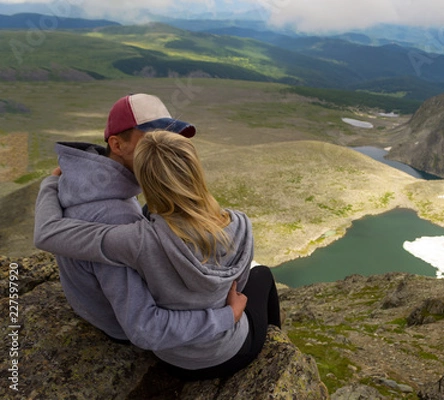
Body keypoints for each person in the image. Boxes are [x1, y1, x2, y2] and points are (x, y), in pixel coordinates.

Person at [35, 130, 282, 379]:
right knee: (262, 275)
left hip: (170, 357)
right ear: (195, 170)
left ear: (143, 180)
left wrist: (51, 184)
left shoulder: (135, 240)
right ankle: (277, 353)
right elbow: (236, 286)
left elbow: (48, 234)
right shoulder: (241, 224)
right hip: (227, 352)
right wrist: (229, 314)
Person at [46, 93, 247, 352]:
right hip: (120, 329)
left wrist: (49, 184)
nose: (164, 146)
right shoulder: (118, 219)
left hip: (90, 308)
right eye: (151, 138)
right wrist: (225, 315)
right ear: (117, 145)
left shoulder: (84, 181)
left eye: (169, 137)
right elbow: (142, 326)